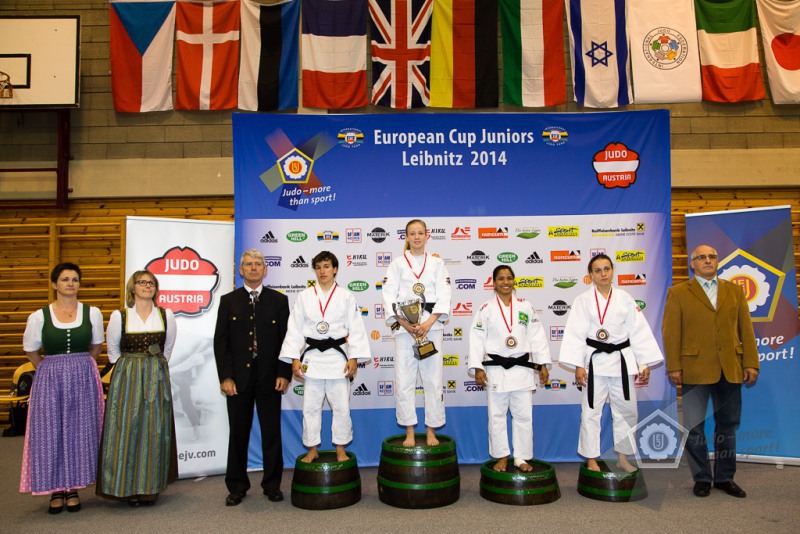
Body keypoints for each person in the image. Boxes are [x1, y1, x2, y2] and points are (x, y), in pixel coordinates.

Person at [662, 244, 759, 498]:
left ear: (717, 261)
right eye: (702, 257)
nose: (707, 260)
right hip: (694, 369)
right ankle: (702, 477)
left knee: (728, 426)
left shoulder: (734, 290)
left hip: (730, 369)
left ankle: (725, 478)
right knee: (694, 427)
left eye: (712, 257)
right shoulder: (678, 292)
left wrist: (751, 362)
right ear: (692, 264)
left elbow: (746, 329)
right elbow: (671, 333)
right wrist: (674, 366)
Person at [559, 254, 663, 473]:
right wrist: (578, 364)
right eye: (598, 270)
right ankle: (591, 459)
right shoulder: (583, 300)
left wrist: (643, 362)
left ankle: (623, 457)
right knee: (590, 412)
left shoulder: (625, 298)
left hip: (621, 362)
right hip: (594, 363)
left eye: (606, 269)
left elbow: (638, 331)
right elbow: (576, 333)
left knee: (626, 411)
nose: (603, 274)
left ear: (613, 271)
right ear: (591, 275)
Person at [20, 263, 105, 514]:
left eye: (75, 279)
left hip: (83, 375)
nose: (70, 283)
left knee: (80, 430)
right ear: (54, 284)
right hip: (49, 378)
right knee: (50, 432)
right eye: (65, 279)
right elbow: (31, 351)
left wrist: (79, 366)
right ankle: (55, 489)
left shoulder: (92, 313)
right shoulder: (39, 316)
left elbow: (96, 347)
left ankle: (74, 487)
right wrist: (50, 369)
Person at [214, 249, 291, 506]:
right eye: (249, 264)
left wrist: (284, 373)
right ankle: (236, 487)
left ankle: (272, 485)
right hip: (238, 380)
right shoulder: (228, 301)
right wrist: (226, 377)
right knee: (238, 434)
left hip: (270, 378)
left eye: (258, 264)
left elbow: (287, 341)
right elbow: (221, 343)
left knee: (271, 434)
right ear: (241, 270)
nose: (254, 268)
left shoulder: (279, 301)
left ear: (265, 270)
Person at [279, 251, 370, 463]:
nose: (322, 271)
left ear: (335, 269)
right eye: (318, 267)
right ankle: (312, 449)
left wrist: (354, 357)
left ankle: (340, 448)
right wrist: (294, 357)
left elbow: (356, 328)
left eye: (327, 266)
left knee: (341, 407)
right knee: (310, 407)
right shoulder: (304, 297)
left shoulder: (346, 296)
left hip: (338, 358)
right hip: (312, 359)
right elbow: (295, 328)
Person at [97, 269, 178, 506]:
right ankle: (125, 486)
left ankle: (149, 487)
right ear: (133, 288)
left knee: (154, 429)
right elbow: (113, 352)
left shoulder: (166, 315)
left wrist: (153, 368)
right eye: (142, 282)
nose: (147, 286)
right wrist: (131, 369)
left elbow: (167, 349)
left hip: (155, 375)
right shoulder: (120, 316)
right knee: (126, 427)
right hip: (128, 377)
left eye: (151, 283)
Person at [469, 265, 551, 472]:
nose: (505, 282)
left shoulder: (525, 307)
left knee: (523, 416)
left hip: (521, 369)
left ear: (514, 281)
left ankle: (521, 457)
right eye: (500, 278)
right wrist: (477, 367)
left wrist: (542, 364)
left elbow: (537, 337)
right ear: (494, 283)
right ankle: (502, 456)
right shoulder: (486, 309)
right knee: (496, 416)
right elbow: (477, 339)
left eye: (508, 278)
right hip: (496, 370)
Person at [382, 219, 452, 447]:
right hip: (406, 331)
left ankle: (431, 430)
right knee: (404, 381)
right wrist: (405, 324)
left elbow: (444, 294)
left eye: (420, 233)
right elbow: (389, 296)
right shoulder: (397, 264)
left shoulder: (437, 263)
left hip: (432, 328)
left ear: (427, 235)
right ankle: (410, 431)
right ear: (406, 237)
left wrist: (429, 323)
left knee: (433, 381)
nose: (416, 237)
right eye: (412, 233)